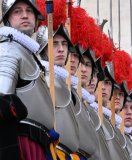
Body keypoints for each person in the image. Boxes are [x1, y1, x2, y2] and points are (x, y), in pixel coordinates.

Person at [0, 0, 56, 159]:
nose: (25, 15)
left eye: (29, 11)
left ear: (36, 18)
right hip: (22, 140)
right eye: (17, 11)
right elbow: (2, 101)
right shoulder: (8, 48)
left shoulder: (28, 53)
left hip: (37, 141)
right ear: (8, 18)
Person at [36, 24, 80, 159]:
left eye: (64, 44)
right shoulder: (40, 79)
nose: (61, 49)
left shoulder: (68, 85)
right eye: (54, 44)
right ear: (44, 49)